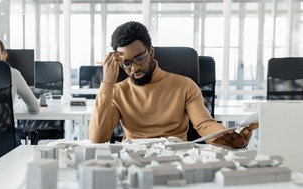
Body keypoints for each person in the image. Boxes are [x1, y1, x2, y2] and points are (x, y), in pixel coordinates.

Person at [89, 21, 258, 148]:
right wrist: (107, 83)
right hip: (132, 158)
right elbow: (98, 139)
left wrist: (228, 139)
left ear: (151, 51)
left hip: (175, 156)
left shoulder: (184, 86)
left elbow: (204, 125)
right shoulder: (117, 91)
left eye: (139, 58)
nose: (134, 68)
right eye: (126, 63)